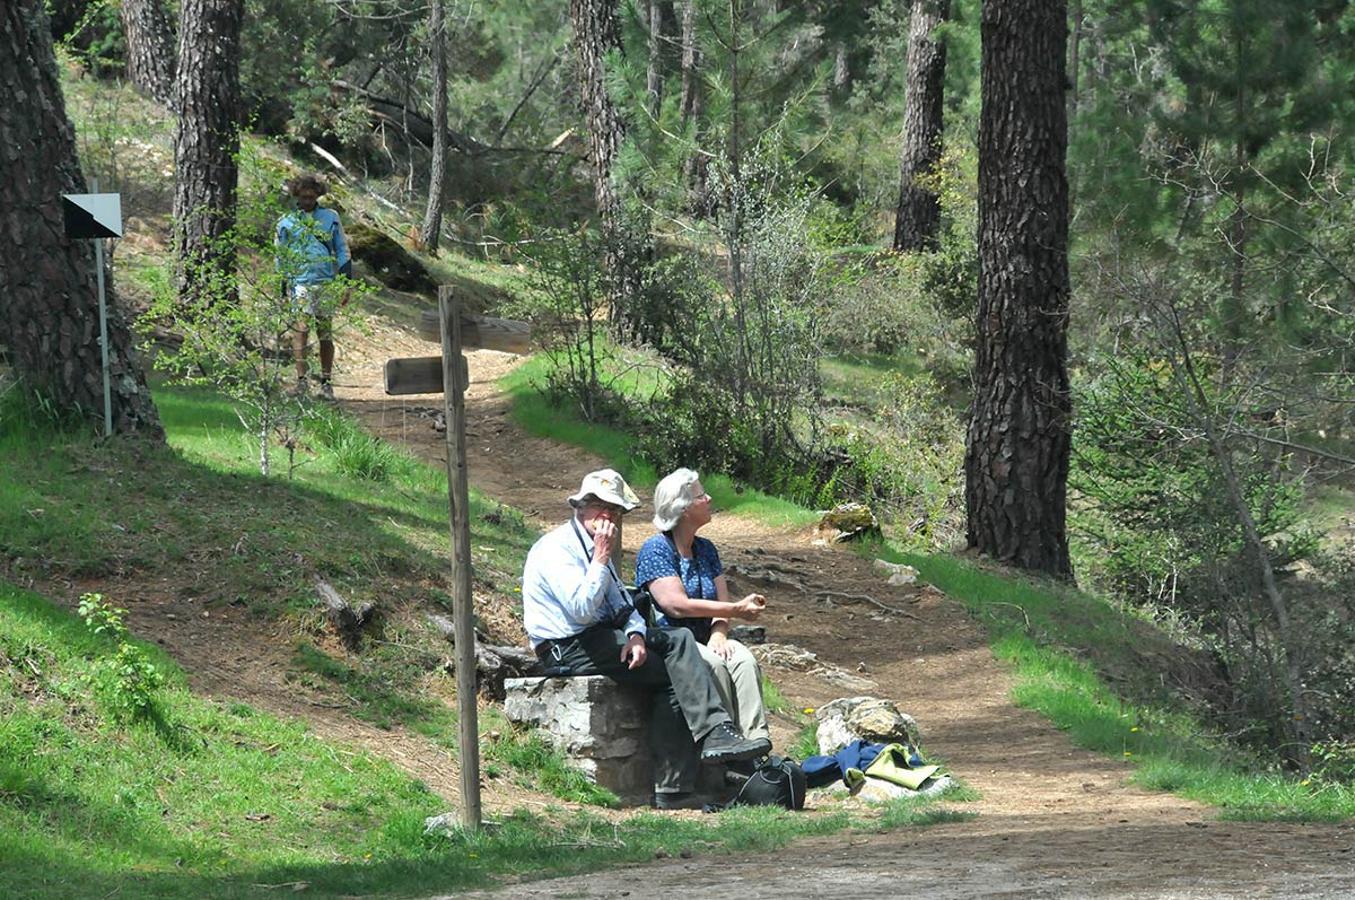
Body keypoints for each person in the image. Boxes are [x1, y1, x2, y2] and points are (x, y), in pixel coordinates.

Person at [522, 468, 771, 810]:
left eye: (615, 511)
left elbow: (624, 606)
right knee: (676, 670)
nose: (608, 516)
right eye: (599, 507)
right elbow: (580, 611)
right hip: (566, 646)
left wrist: (637, 634)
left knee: (679, 643)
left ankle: (689, 770)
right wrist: (600, 559)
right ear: (580, 507)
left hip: (601, 636)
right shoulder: (558, 549)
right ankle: (701, 758)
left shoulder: (597, 546)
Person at [635, 468, 771, 751]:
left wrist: (720, 633)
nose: (709, 499)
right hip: (674, 644)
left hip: (707, 639)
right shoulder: (655, 550)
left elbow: (720, 604)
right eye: (701, 496)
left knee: (744, 660)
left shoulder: (706, 549)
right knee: (715, 665)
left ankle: (757, 744)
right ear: (683, 509)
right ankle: (727, 747)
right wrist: (736, 609)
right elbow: (677, 606)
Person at [275, 174, 351, 400]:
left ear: (318, 195)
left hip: (325, 281)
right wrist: (283, 288)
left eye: (311, 196)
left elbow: (342, 249)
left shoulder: (330, 217)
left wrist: (346, 283)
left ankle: (326, 383)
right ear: (296, 195)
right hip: (300, 282)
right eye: (303, 196)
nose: (307, 200)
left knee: (325, 331)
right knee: (301, 330)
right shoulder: (286, 222)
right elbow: (281, 256)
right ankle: (301, 382)